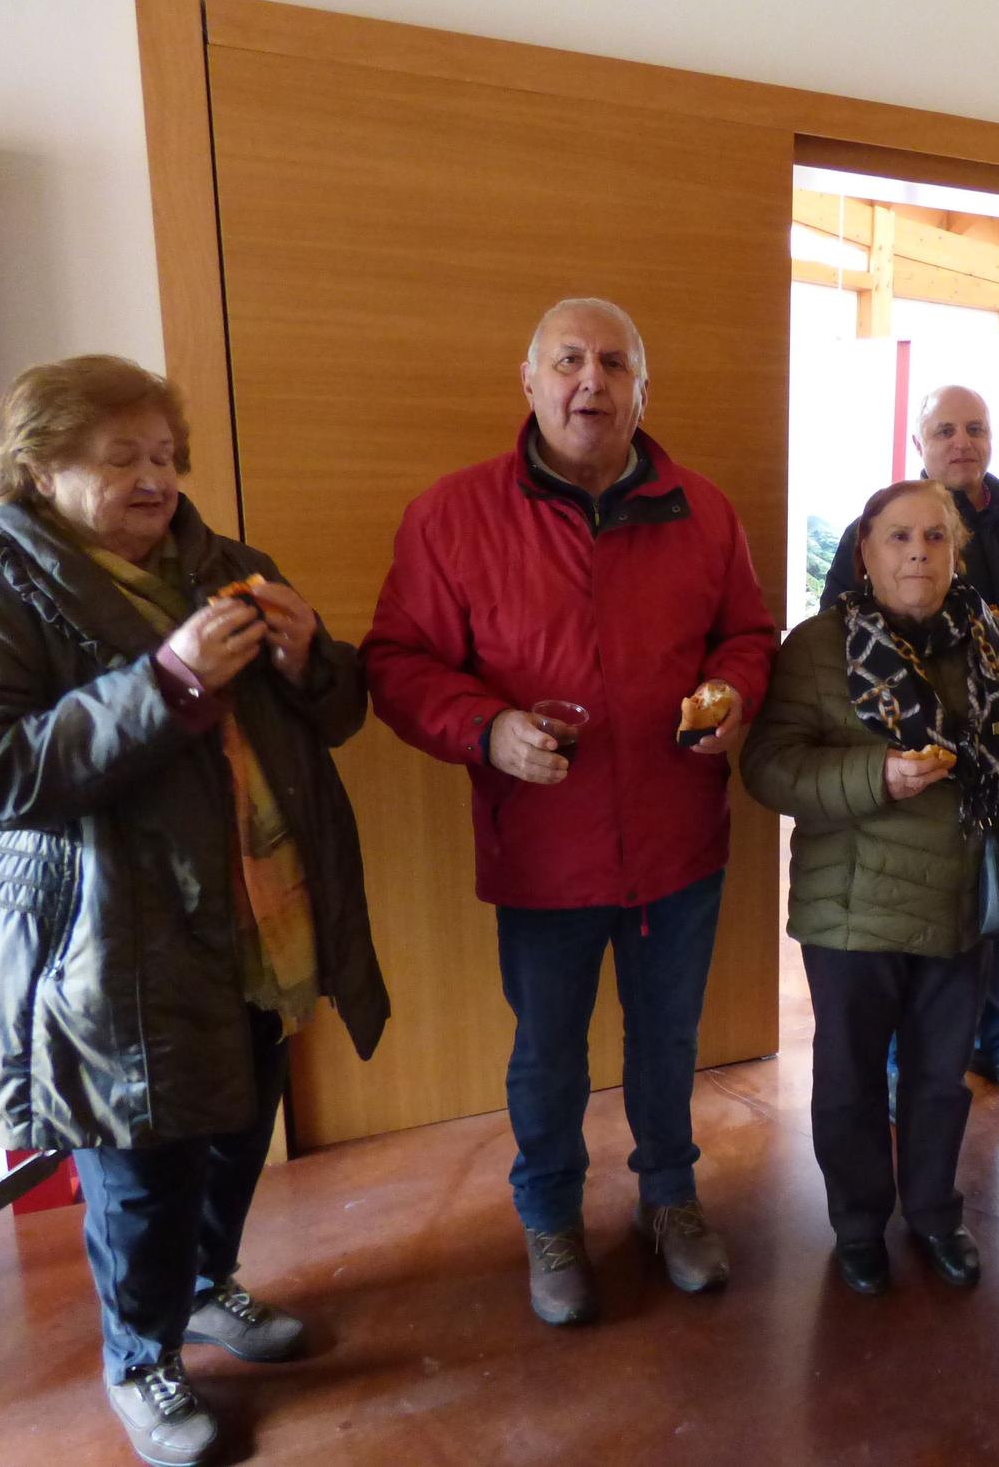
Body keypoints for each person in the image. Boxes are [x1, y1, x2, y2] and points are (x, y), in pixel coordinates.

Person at [0, 355, 389, 1467]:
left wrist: (314, 659)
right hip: (114, 947)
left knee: (235, 1130)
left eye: (164, 455)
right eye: (121, 457)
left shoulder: (229, 566)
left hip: (265, 918)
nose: (154, 478)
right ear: (38, 468)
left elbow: (339, 714)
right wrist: (164, 685)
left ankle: (211, 1287)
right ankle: (140, 1358)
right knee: (140, 1174)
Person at [363, 298, 775, 1327]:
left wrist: (731, 696)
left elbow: (748, 636)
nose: (589, 381)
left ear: (642, 388)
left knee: (667, 1042)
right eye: (568, 362)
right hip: (542, 850)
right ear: (529, 379)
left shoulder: (704, 510)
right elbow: (397, 662)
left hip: (679, 842)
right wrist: (484, 728)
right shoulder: (451, 515)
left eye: (613, 364)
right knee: (547, 1052)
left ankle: (668, 1200)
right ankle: (548, 1217)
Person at [743, 479, 999, 1296]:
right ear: (863, 553)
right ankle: (858, 1224)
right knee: (851, 1078)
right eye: (897, 537)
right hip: (853, 907)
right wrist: (877, 775)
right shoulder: (819, 645)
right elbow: (768, 766)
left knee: (943, 1077)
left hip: (967, 901)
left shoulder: (997, 642)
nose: (917, 553)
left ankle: (936, 1213)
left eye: (935, 538)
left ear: (956, 551)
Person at [821, 384, 999, 1105]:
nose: (960, 441)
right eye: (943, 430)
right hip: (915, 764)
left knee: (998, 905)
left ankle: (991, 1042)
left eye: (974, 428)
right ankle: (911, 1059)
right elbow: (840, 627)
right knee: (918, 923)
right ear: (919, 443)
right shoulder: (879, 522)